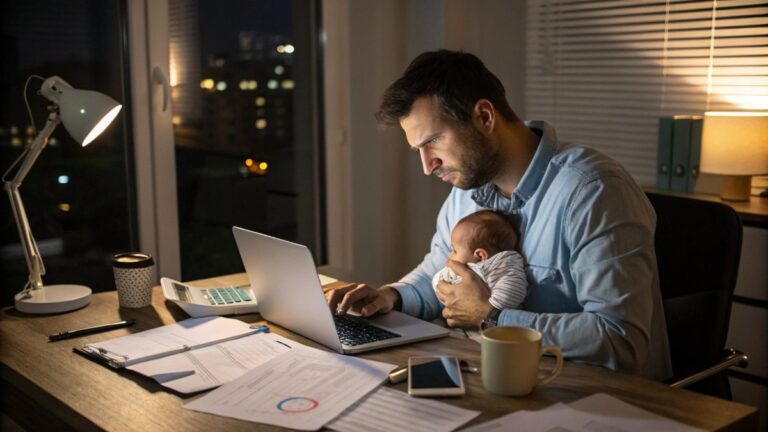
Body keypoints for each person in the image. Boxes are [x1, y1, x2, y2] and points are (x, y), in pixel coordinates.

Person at [325, 50, 672, 380]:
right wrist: (390, 297)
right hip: (499, 380)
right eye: (419, 150)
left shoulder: (594, 191)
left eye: (433, 142)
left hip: (599, 397)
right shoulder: (465, 192)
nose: (427, 166)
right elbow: (440, 272)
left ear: (485, 117)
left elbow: (620, 340)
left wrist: (493, 318)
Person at [432, 210, 527, 312]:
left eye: (454, 250)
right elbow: (439, 284)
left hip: (494, 326)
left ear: (480, 256)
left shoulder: (504, 268)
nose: (450, 255)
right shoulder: (462, 269)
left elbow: (513, 293)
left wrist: (487, 310)